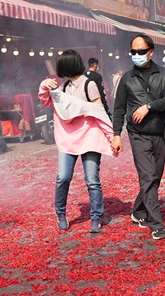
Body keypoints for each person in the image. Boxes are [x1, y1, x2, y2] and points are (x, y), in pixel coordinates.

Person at [40, 50, 115, 233]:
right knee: (63, 177)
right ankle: (61, 213)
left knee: (92, 180)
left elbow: (99, 113)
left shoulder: (89, 84)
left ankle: (96, 217)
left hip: (89, 137)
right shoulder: (63, 87)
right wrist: (43, 86)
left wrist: (111, 137)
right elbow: (46, 101)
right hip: (67, 139)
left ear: (67, 65)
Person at [111, 34, 165, 241]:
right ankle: (156, 224)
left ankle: (138, 211)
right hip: (137, 134)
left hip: (159, 131)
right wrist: (116, 135)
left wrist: (149, 106)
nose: (137, 55)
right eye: (133, 52)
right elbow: (119, 109)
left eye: (141, 51)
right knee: (148, 177)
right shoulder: (127, 79)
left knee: (155, 177)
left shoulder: (164, 74)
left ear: (151, 52)